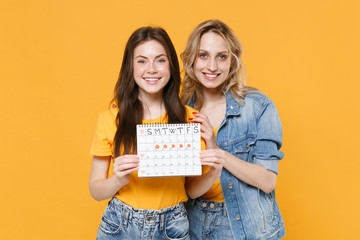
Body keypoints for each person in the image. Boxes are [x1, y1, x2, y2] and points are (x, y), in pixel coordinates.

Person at [89, 26, 202, 240]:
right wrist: (118, 179)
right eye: (141, 61)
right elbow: (96, 190)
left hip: (173, 226)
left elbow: (193, 191)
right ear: (130, 67)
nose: (151, 69)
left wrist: (215, 162)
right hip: (119, 223)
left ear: (171, 65)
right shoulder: (110, 119)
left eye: (160, 60)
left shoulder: (191, 119)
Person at [181, 20, 286, 240]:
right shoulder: (180, 110)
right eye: (203, 55)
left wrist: (219, 153)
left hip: (249, 228)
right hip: (196, 225)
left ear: (232, 61)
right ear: (191, 59)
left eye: (222, 56)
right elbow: (189, 191)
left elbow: (267, 181)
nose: (212, 66)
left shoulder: (258, 107)